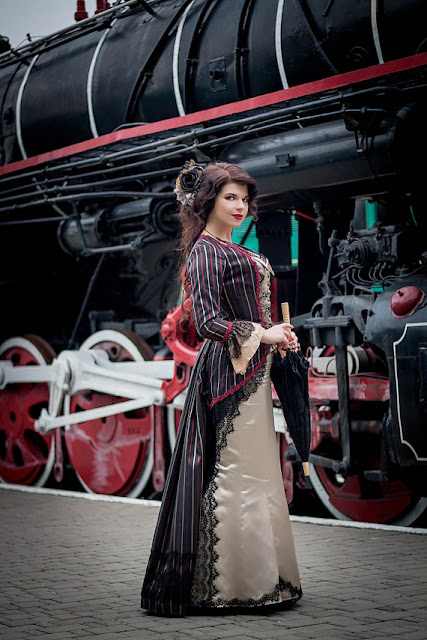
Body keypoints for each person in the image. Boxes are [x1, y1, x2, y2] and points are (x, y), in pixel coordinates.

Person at [141, 161, 302, 616]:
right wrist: (263, 334)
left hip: (254, 368)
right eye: (230, 197)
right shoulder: (206, 251)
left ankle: (265, 579)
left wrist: (279, 335)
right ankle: (229, 585)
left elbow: (254, 313)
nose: (240, 206)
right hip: (228, 373)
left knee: (260, 469)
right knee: (236, 471)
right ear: (207, 200)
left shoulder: (239, 250)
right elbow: (209, 322)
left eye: (244, 198)